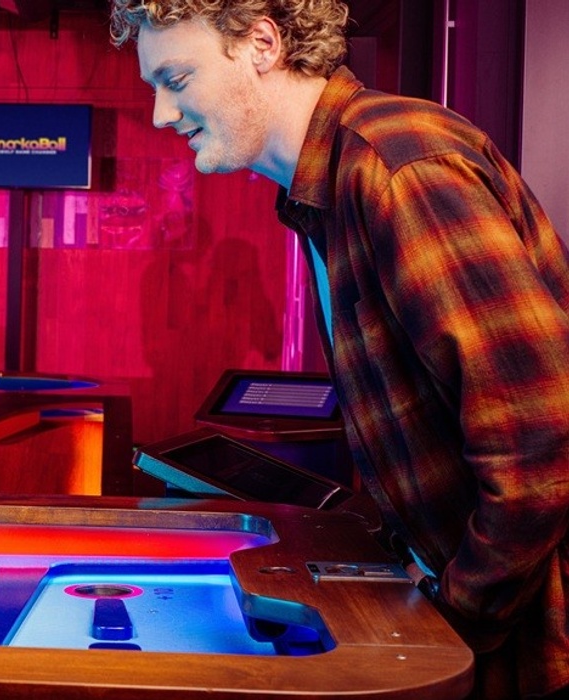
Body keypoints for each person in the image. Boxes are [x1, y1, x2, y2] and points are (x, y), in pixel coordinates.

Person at [109, 2, 569, 698]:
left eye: (175, 78)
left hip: (528, 635)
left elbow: (539, 444)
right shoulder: (324, 186)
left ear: (262, 42)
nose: (161, 115)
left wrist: (454, 618)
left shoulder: (396, 164)